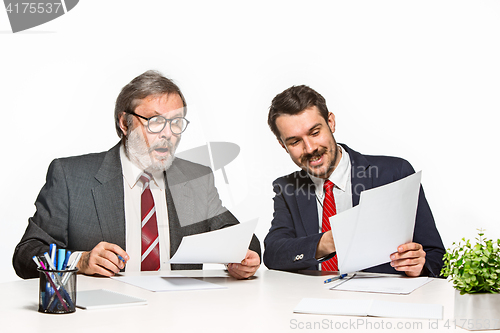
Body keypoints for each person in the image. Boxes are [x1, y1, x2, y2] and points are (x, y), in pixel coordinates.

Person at [13, 70, 261, 280]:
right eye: (154, 121)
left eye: (176, 123)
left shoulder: (194, 178)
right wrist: (80, 260)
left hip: (180, 314)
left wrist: (244, 258)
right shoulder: (70, 177)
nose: (167, 134)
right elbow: (27, 253)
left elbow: (238, 237)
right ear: (124, 122)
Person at [263, 85, 444, 277]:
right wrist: (328, 242)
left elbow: (438, 259)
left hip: (381, 301)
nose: (309, 148)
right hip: (314, 299)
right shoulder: (287, 188)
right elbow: (274, 254)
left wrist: (419, 265)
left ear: (331, 122)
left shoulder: (394, 173)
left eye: (315, 132)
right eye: (295, 142)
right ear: (283, 145)